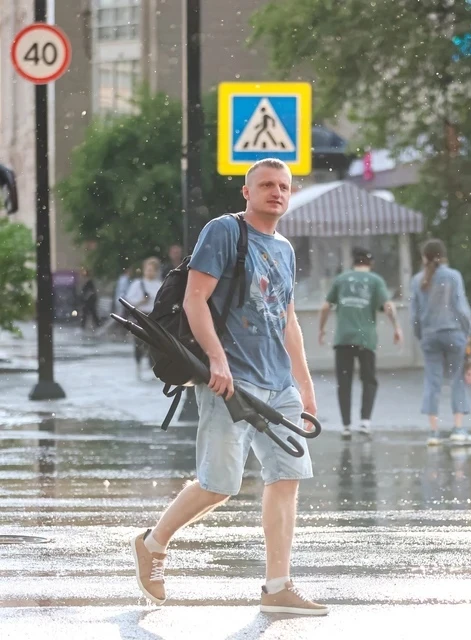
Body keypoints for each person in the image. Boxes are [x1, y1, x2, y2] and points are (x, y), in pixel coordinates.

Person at [130, 158, 326, 616]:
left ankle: (278, 585)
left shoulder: (285, 248)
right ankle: (153, 543)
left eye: (283, 186)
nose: (276, 192)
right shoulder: (224, 231)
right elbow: (194, 298)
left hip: (278, 384)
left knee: (287, 477)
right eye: (266, 185)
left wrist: (305, 383)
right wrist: (216, 360)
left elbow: (288, 318)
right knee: (219, 485)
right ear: (246, 191)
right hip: (229, 382)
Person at [319, 247, 402, 439]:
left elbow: (325, 306)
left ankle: (346, 425)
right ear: (370, 263)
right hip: (366, 339)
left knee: (344, 382)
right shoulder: (375, 280)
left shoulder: (341, 279)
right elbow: (388, 306)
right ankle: (365, 422)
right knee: (369, 380)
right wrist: (397, 327)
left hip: (343, 339)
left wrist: (321, 329)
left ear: (354, 262)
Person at [410, 239, 471, 446]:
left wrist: (421, 335)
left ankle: (433, 432)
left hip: (430, 335)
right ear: (444, 255)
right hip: (453, 333)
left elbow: (415, 315)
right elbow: (461, 307)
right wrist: (468, 331)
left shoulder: (417, 280)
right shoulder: (453, 276)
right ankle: (458, 429)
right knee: (457, 379)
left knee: (432, 381)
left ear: (424, 257)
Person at [126, 257, 164, 380]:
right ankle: (138, 365)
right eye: (148, 270)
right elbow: (129, 300)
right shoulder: (138, 284)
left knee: (154, 343)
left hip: (154, 317)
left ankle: (153, 367)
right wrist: (141, 301)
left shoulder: (160, 284)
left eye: (152, 270)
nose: (150, 272)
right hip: (140, 315)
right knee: (139, 342)